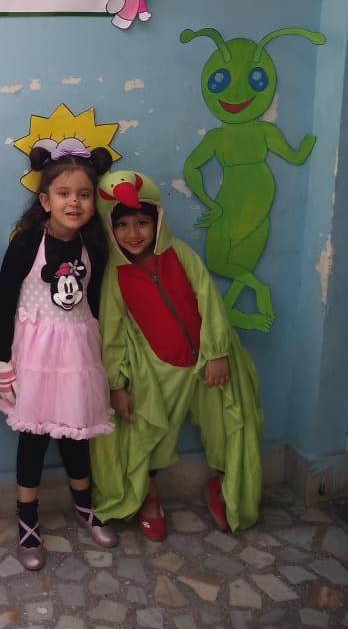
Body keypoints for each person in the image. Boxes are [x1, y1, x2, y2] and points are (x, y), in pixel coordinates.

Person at [92, 169, 264, 538]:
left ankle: (224, 486)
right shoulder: (115, 277)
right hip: (158, 369)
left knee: (226, 425)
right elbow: (112, 335)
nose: (133, 233)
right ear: (110, 228)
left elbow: (209, 300)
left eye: (142, 222)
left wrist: (216, 353)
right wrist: (117, 385)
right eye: (122, 225)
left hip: (209, 362)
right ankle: (149, 496)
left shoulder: (180, 254)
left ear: (157, 221)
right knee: (146, 432)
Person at [0, 145, 117, 571]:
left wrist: (100, 355)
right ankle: (28, 521)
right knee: (33, 439)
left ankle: (85, 505)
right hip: (33, 358)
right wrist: (2, 362)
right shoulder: (25, 245)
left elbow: (94, 303)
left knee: (76, 434)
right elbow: (4, 306)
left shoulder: (95, 246)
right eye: (64, 193)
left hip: (76, 356)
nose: (75, 202)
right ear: (45, 200)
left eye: (84, 194)